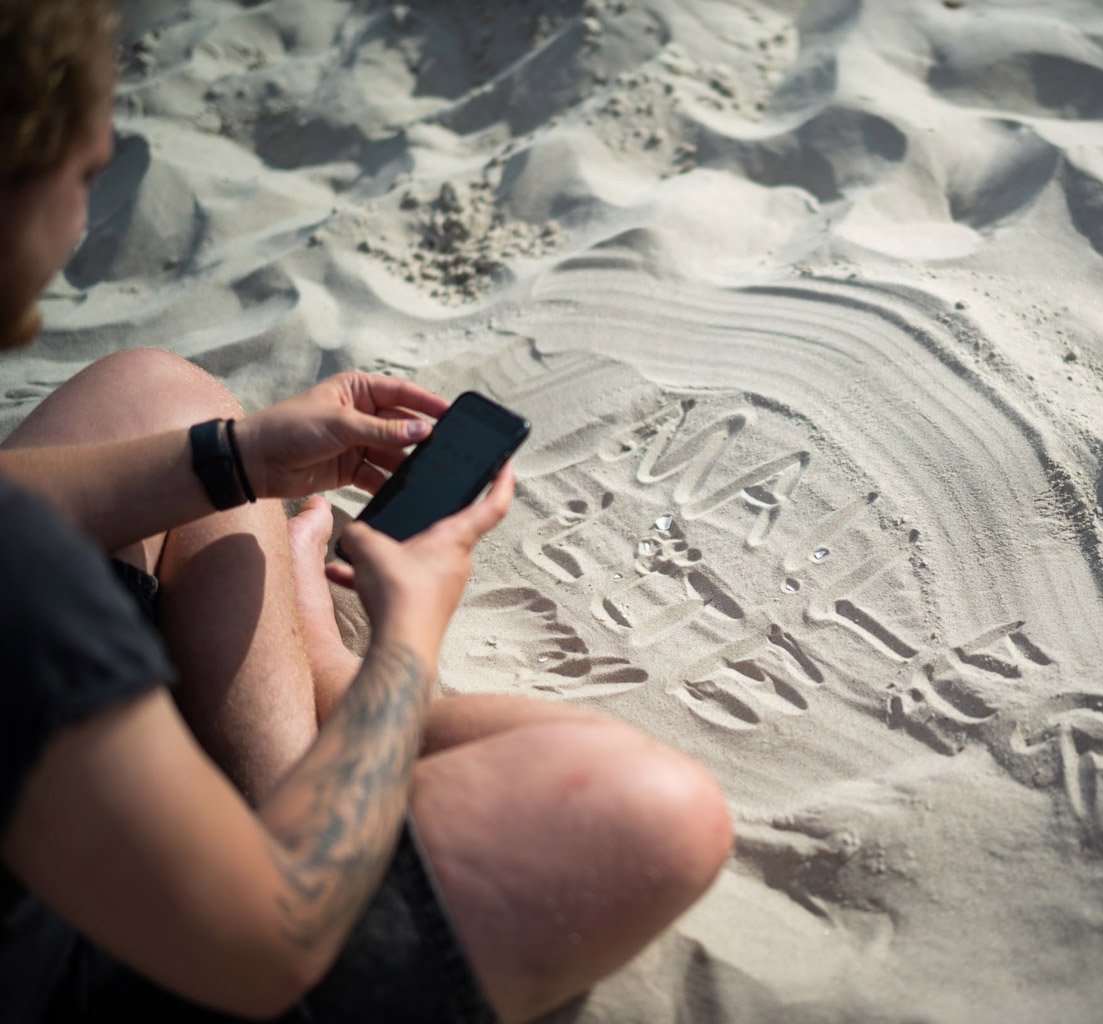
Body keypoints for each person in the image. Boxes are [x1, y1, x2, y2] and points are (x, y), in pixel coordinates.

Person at [0, 1, 733, 1021]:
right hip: (98, 963)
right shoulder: (31, 595)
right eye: (85, 174)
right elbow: (272, 944)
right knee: (653, 812)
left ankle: (306, 764)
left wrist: (240, 456)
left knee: (159, 396)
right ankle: (328, 735)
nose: (89, 206)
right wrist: (397, 649)